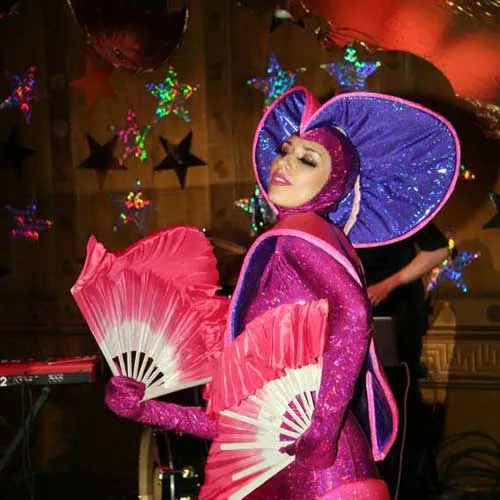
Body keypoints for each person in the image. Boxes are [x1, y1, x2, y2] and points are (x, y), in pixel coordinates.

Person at [104, 87, 460, 499]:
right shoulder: (295, 249)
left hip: (325, 469)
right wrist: (146, 409)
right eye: (285, 150)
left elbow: (354, 313)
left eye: (307, 159)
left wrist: (324, 424)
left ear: (335, 184)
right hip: (299, 462)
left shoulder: (298, 236)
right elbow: (239, 422)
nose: (284, 162)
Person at [357, 224, 450, 499]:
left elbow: (439, 249)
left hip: (397, 313)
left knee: (398, 400)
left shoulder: (395, 206)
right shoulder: (339, 210)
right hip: (356, 316)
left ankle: (408, 487)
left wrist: (389, 284)